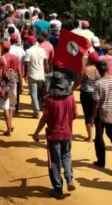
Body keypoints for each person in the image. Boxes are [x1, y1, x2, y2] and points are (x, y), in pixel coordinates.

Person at [33, 71, 78, 199]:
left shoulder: (49, 100)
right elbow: (75, 115)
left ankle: (58, 189)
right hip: (67, 133)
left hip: (54, 135)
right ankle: (69, 178)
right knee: (67, 156)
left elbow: (44, 119)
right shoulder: (71, 98)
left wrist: (36, 133)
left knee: (55, 161)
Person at [74, 51, 101, 142]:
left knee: (88, 114)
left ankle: (90, 137)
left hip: (86, 93)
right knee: (96, 114)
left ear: (89, 59)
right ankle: (98, 135)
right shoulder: (100, 70)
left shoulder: (85, 69)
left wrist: (71, 89)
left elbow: (78, 81)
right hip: (97, 93)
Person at [24, 38, 48, 118]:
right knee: (40, 93)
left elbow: (27, 64)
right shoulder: (42, 50)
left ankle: (36, 111)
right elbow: (46, 63)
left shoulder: (28, 51)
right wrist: (46, 73)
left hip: (33, 75)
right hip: (41, 75)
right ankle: (39, 107)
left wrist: (26, 75)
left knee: (33, 93)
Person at [8, 34, 26, 117]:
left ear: (11, 40)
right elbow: (23, 61)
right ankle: (16, 110)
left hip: (10, 74)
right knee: (17, 93)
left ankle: (11, 109)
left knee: (11, 92)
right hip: (19, 73)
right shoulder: (21, 50)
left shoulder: (9, 49)